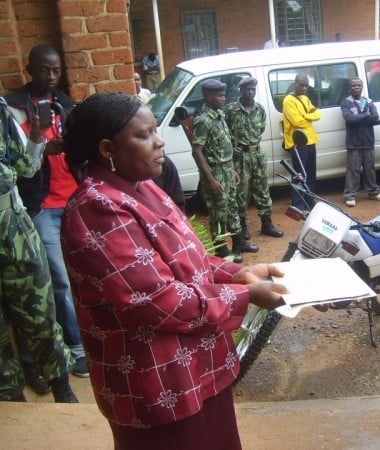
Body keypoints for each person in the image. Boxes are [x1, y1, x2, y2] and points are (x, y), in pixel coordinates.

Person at [60, 92, 287, 449]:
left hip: (199, 365)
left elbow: (187, 259)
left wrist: (237, 273)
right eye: (145, 134)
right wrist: (245, 295)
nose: (159, 140)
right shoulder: (97, 209)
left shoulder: (145, 188)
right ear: (108, 149)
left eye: (156, 131)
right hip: (156, 380)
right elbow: (155, 300)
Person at [5, 44, 88, 389]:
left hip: (74, 200)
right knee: (59, 281)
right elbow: (19, 165)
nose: (50, 77)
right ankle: (76, 346)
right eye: (44, 70)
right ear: (30, 70)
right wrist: (40, 144)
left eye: (55, 71)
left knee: (82, 275)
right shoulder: (11, 107)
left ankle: (85, 341)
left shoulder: (65, 105)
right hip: (40, 207)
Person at [0, 96, 77, 403]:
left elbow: (26, 167)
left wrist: (35, 136)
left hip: (12, 226)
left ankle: (62, 389)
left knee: (40, 310)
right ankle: (12, 398)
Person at [191, 79, 258, 262]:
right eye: (220, 95)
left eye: (224, 94)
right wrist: (211, 180)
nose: (224, 98)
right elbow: (197, 151)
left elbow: (224, 147)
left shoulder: (219, 115)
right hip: (215, 173)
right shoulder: (203, 120)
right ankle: (221, 251)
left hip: (227, 170)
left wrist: (232, 170)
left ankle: (239, 243)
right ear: (207, 96)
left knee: (232, 207)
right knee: (219, 213)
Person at [224, 77, 284, 238]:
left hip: (257, 155)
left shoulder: (260, 109)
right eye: (247, 89)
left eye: (253, 89)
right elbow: (224, 133)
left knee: (263, 191)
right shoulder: (230, 110)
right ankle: (242, 227)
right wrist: (231, 148)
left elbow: (261, 129)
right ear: (241, 90)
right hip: (240, 157)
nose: (250, 92)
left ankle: (267, 224)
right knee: (241, 193)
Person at [340, 77, 380, 207]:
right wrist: (365, 116)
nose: (356, 87)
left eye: (358, 85)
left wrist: (359, 118)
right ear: (349, 88)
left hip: (368, 141)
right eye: (353, 85)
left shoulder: (368, 101)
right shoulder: (345, 103)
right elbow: (349, 119)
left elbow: (375, 118)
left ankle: (373, 192)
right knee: (353, 170)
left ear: (362, 87)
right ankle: (350, 195)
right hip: (353, 143)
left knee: (370, 169)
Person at [282, 73, 321, 211]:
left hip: (310, 140)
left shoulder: (305, 98)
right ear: (295, 84)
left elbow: (318, 114)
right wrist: (309, 117)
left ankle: (309, 202)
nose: (304, 88)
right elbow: (297, 122)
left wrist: (305, 116)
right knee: (299, 175)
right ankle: (298, 204)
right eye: (302, 85)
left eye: (306, 86)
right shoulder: (288, 100)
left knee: (310, 174)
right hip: (298, 143)